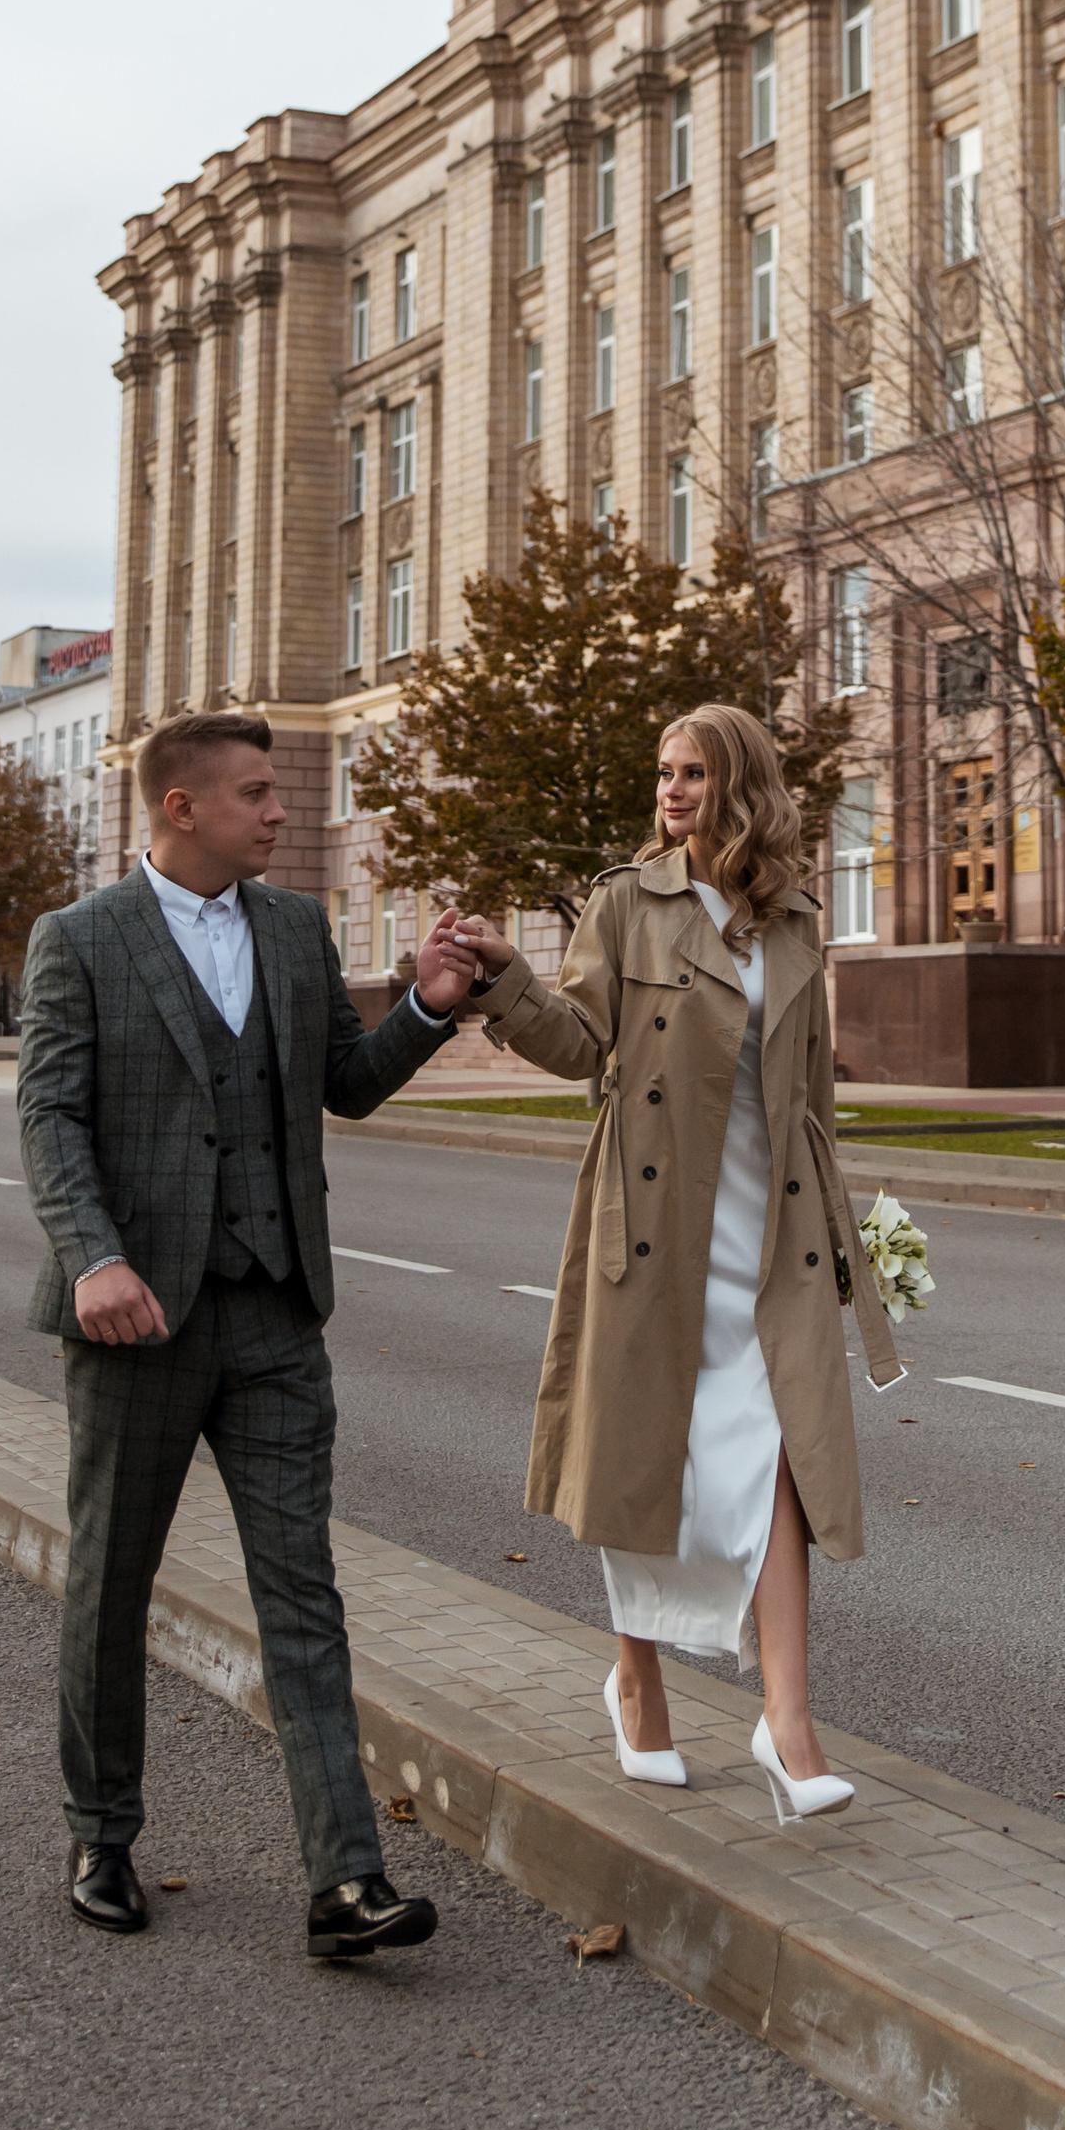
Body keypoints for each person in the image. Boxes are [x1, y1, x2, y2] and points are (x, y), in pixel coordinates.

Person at [17, 707, 475, 1955]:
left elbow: (344, 1083)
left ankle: (344, 1882)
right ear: (183, 806)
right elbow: (50, 1120)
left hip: (275, 1313)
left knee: (302, 1593)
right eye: (261, 793)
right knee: (112, 1581)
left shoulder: (291, 927)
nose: (282, 810)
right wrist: (95, 1259)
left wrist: (428, 1007)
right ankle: (101, 1827)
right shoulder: (81, 940)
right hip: (137, 1320)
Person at [453, 704, 902, 1817]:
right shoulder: (626, 901)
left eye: (694, 771)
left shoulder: (793, 919)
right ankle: (637, 1678)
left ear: (740, 781)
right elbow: (578, 1045)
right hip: (653, 1224)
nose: (672, 789)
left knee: (778, 1455)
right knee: (642, 1450)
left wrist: (850, 1233)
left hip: (770, 1221)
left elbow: (812, 1098)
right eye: (662, 771)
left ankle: (788, 1725)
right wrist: (507, 983)